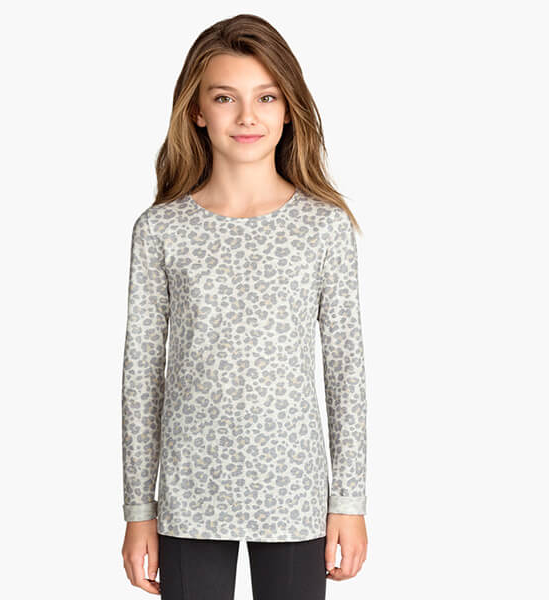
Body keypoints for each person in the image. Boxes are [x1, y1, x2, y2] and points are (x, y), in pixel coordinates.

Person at [120, 13, 368, 600]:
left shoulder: (323, 228)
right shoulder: (161, 230)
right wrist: (138, 509)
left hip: (293, 491)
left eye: (267, 97)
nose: (248, 116)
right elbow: (141, 376)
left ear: (289, 110)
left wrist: (349, 500)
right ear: (197, 111)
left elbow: (345, 369)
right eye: (225, 97)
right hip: (189, 494)